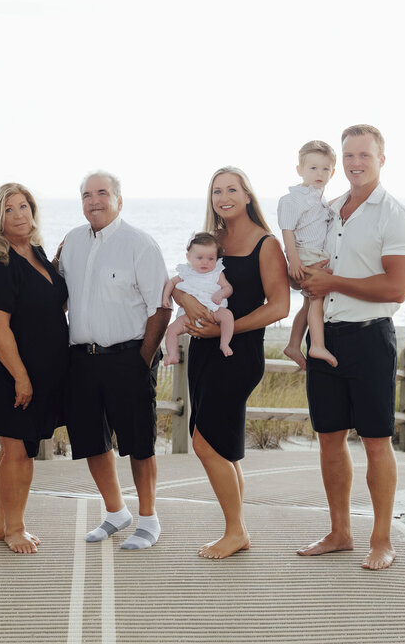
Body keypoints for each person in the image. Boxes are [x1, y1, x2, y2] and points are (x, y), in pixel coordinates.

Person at [297, 124, 405, 571]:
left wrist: (332, 281)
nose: (355, 163)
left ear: (381, 159)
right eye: (348, 155)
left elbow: (397, 287)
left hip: (369, 337)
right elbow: (312, 271)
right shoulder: (326, 211)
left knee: (375, 441)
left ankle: (382, 540)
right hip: (324, 337)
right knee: (328, 439)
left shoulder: (396, 214)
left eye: (364, 155)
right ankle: (340, 532)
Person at [173, 167, 289, 559]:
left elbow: (280, 306)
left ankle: (235, 530)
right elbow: (187, 284)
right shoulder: (212, 242)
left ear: (248, 195)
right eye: (217, 190)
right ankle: (237, 529)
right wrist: (186, 304)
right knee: (221, 445)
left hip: (237, 352)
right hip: (204, 350)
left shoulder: (267, 244)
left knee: (205, 444)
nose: (224, 196)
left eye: (232, 189)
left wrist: (229, 328)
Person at [58, 171, 170, 551]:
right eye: (87, 195)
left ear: (119, 200)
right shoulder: (71, 241)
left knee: (139, 443)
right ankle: (115, 512)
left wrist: (143, 361)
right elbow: (57, 293)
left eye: (102, 193)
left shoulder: (140, 243)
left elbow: (161, 305)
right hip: (82, 360)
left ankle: (149, 519)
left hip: (129, 356)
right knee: (92, 441)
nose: (94, 201)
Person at [0, 182, 68, 554]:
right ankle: (16, 529)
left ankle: (1, 525)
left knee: (14, 449)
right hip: (6, 371)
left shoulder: (37, 252)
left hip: (38, 369)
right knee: (19, 452)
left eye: (24, 206)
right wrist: (20, 377)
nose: (19, 215)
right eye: (9, 210)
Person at [279, 141, 338, 370]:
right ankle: (317, 345)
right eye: (313, 168)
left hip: (313, 253)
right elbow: (287, 229)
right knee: (317, 299)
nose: (319, 173)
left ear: (332, 172)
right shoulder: (294, 198)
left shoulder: (317, 196)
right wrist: (293, 259)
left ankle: (293, 344)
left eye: (325, 169)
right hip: (304, 253)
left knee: (307, 303)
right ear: (300, 170)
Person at [162, 232, 234, 365]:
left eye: (211, 258)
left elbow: (228, 287)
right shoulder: (186, 272)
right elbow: (172, 283)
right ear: (188, 257)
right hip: (189, 315)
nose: (205, 262)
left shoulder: (217, 273)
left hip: (213, 310)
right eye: (199, 258)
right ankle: (173, 355)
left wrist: (221, 293)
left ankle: (224, 343)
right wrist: (165, 297)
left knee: (228, 316)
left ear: (216, 258)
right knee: (171, 329)